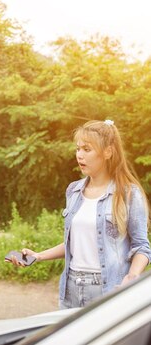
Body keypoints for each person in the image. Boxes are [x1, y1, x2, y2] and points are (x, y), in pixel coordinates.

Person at [9, 119, 151, 309]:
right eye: (78, 149)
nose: (79, 155)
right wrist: (39, 256)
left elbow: (142, 246)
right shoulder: (73, 191)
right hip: (71, 287)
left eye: (87, 149)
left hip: (107, 288)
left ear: (108, 152)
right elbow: (73, 243)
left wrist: (131, 277)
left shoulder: (128, 193)